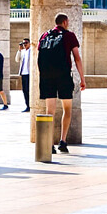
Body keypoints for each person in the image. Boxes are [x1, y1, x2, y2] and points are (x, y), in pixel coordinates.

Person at [38, 13, 85, 153]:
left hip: (47, 77)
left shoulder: (44, 35)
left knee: (49, 111)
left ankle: (49, 143)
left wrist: (44, 75)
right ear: (65, 22)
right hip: (63, 75)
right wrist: (82, 79)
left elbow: (39, 56)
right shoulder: (69, 36)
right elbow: (77, 58)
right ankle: (63, 141)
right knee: (67, 109)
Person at [15, 39, 32, 112]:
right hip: (23, 73)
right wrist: (19, 50)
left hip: (30, 73)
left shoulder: (31, 51)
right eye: (23, 43)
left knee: (29, 90)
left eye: (26, 43)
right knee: (25, 90)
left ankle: (31, 105)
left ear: (29, 43)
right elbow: (17, 60)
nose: (24, 44)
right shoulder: (22, 52)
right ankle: (27, 105)